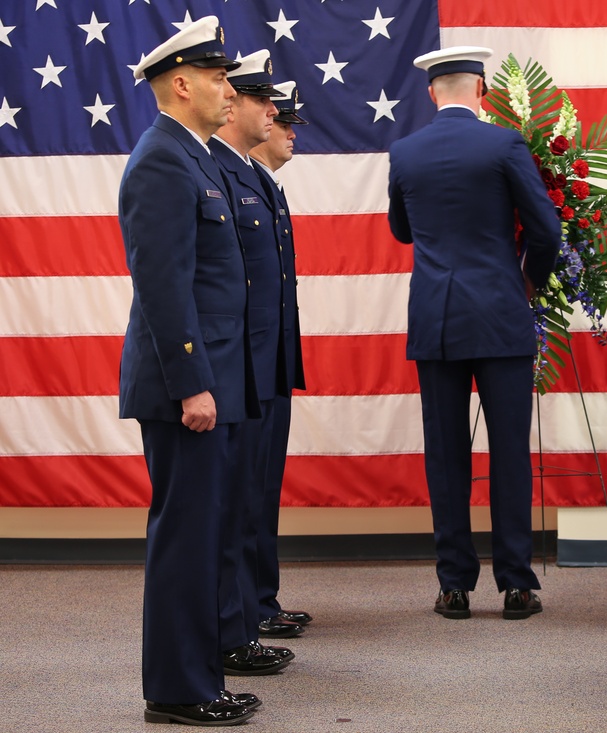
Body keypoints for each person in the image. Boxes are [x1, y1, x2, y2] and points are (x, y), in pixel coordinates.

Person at [119, 16, 260, 726]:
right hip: (189, 386)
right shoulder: (161, 160)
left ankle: (201, 676)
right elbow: (163, 284)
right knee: (185, 537)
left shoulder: (196, 155)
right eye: (216, 77)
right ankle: (176, 688)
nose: (228, 89)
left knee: (209, 534)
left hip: (216, 381)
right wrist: (192, 382)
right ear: (181, 84)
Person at [387, 46, 561, 620]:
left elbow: (403, 231)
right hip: (501, 316)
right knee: (510, 451)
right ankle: (515, 583)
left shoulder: (405, 152)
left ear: (432, 92)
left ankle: (454, 584)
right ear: (482, 90)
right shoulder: (505, 144)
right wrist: (528, 282)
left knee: (445, 454)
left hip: (436, 320)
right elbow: (543, 228)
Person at [208, 51, 302, 675]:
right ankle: (239, 621)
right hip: (239, 366)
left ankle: (252, 609)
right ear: (231, 105)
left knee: (256, 494)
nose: (274, 113)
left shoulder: (252, 177)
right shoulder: (214, 170)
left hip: (264, 362)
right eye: (262, 100)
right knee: (235, 502)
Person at [247, 80, 312, 638]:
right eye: (282, 119)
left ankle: (261, 599)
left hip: (271, 363)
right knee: (249, 491)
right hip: (251, 365)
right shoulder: (242, 181)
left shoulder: (266, 187)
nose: (289, 130)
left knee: (264, 487)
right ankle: (253, 606)